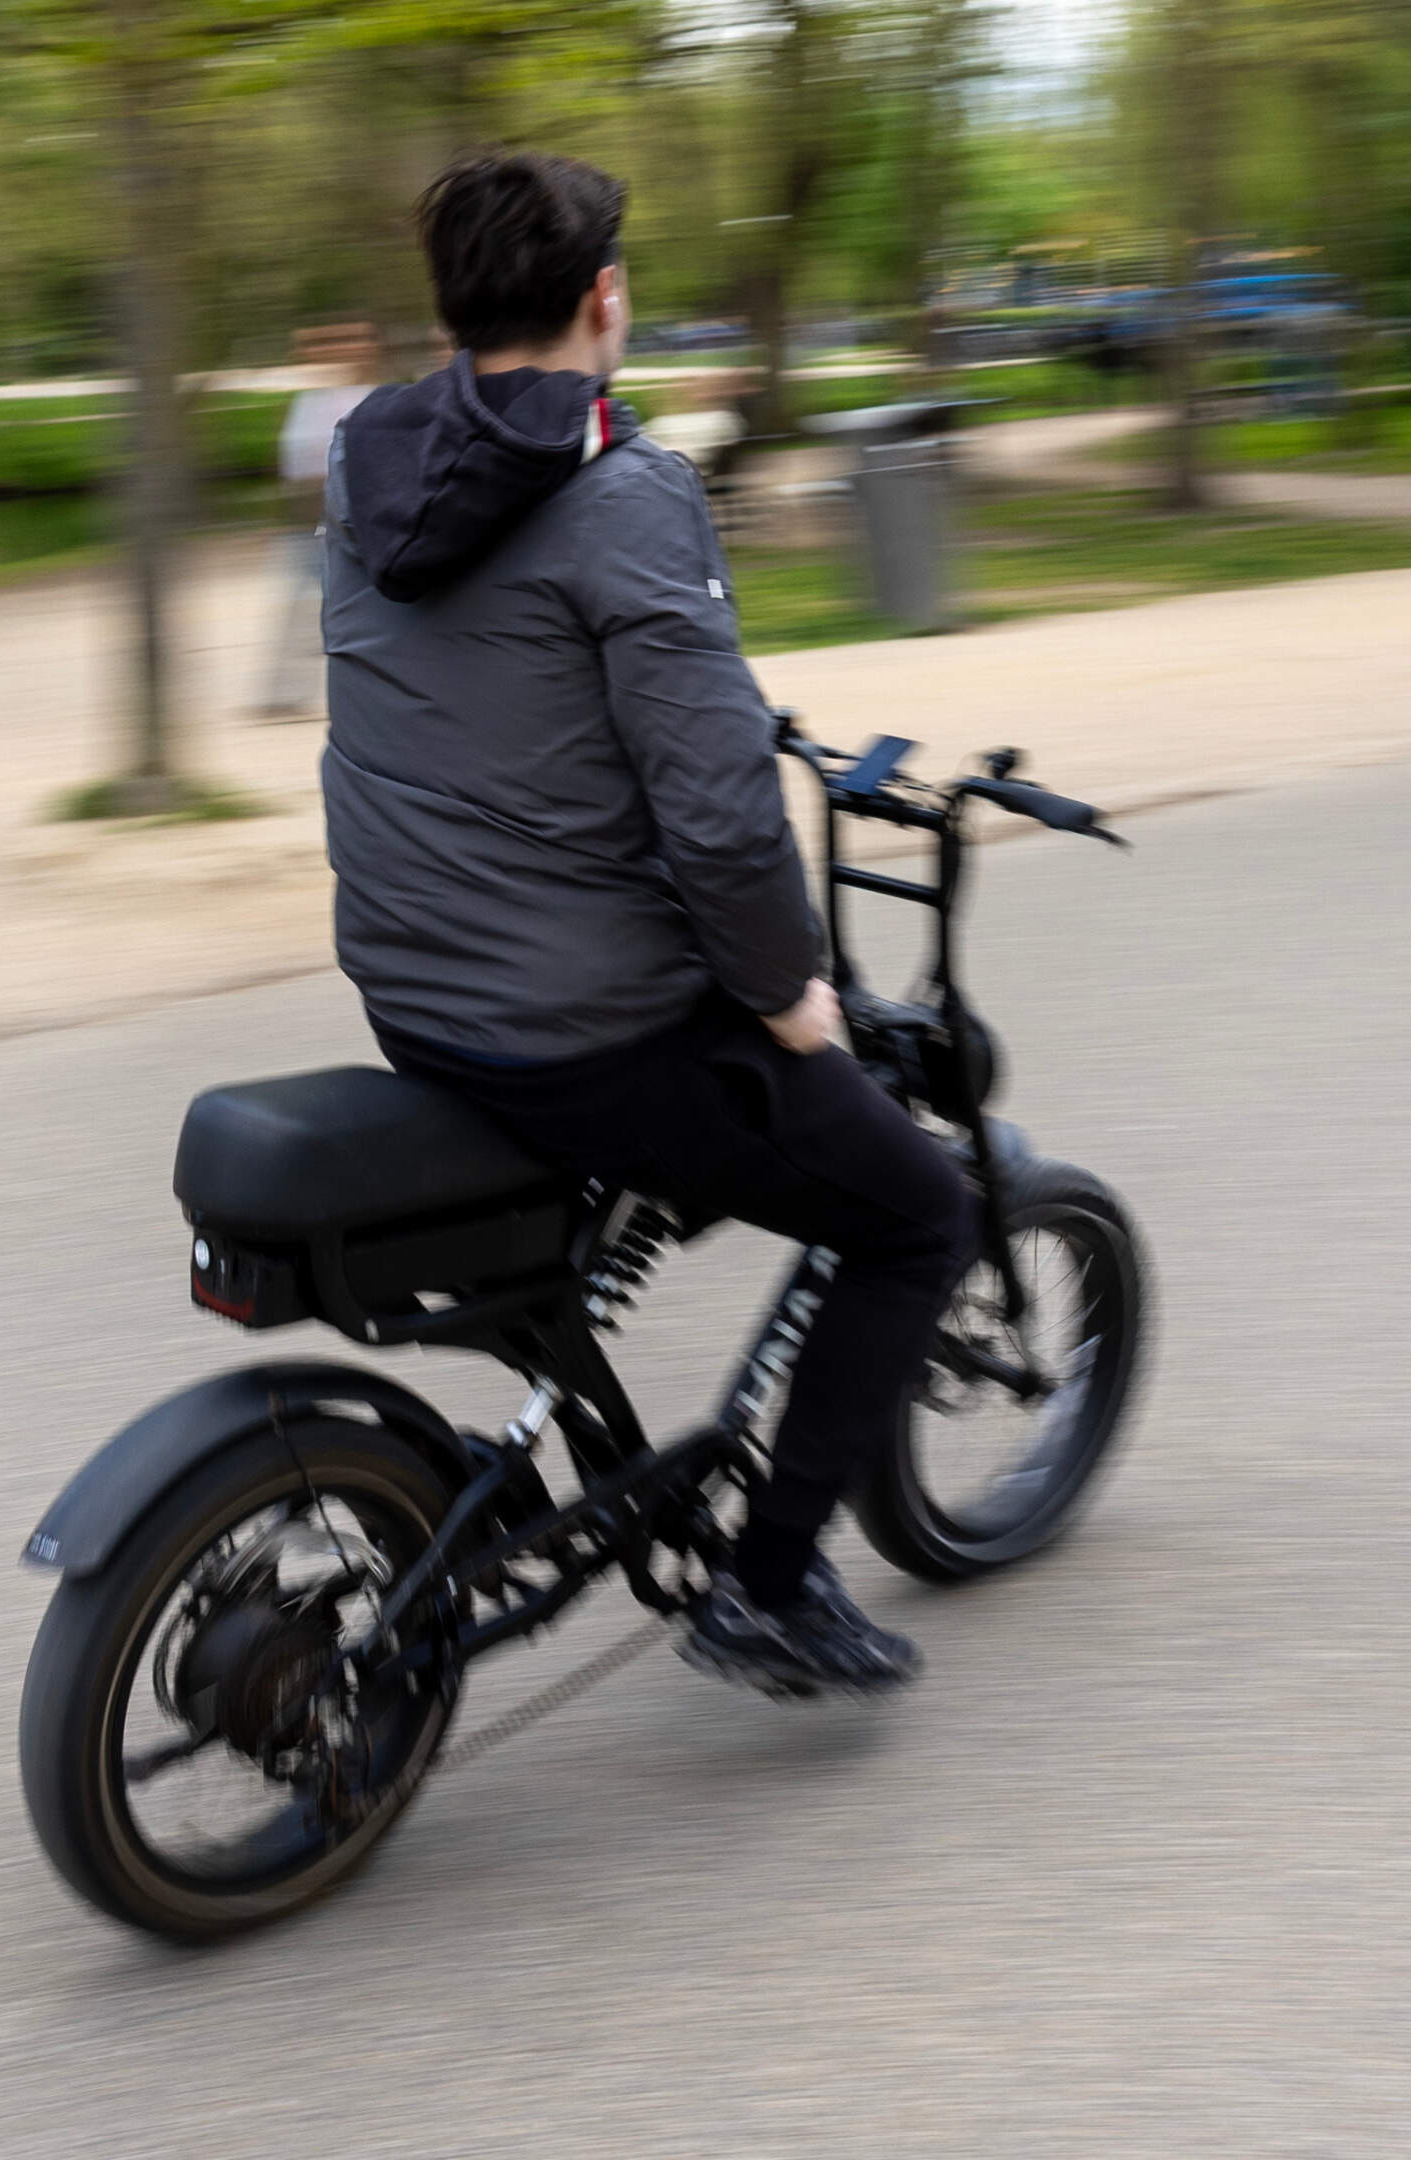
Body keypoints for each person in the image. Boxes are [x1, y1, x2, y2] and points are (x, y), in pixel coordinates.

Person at [321, 151, 975, 1698]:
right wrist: (787, 988)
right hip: (584, 1027)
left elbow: (491, 702)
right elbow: (718, 817)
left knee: (713, 1136)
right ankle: (766, 1584)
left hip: (413, 991)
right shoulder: (627, 490)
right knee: (915, 1212)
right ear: (603, 299)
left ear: (451, 310)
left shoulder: (366, 465)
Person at [256, 322, 384, 717]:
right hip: (317, 522)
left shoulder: (368, 398)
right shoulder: (312, 401)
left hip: (346, 521)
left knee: (342, 604)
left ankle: (294, 690)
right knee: (314, 605)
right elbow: (297, 468)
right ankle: (287, 691)